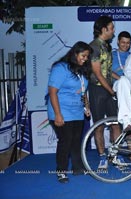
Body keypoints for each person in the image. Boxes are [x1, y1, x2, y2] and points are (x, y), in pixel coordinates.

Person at [47, 41, 92, 183]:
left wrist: (87, 107)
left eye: (87, 57)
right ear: (74, 53)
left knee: (76, 141)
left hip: (77, 112)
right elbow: (52, 92)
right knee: (65, 141)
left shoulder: (82, 71)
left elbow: (83, 92)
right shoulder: (60, 68)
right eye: (83, 55)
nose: (85, 59)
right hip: (61, 110)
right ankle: (61, 171)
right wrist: (58, 114)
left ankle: (77, 168)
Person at [88, 15, 121, 169]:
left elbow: (107, 71)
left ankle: (114, 154)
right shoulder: (94, 46)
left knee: (115, 124)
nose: (114, 31)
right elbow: (98, 73)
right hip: (97, 90)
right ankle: (102, 156)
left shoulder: (107, 46)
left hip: (108, 89)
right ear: (104, 29)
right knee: (99, 125)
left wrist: (122, 79)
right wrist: (112, 91)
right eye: (112, 27)